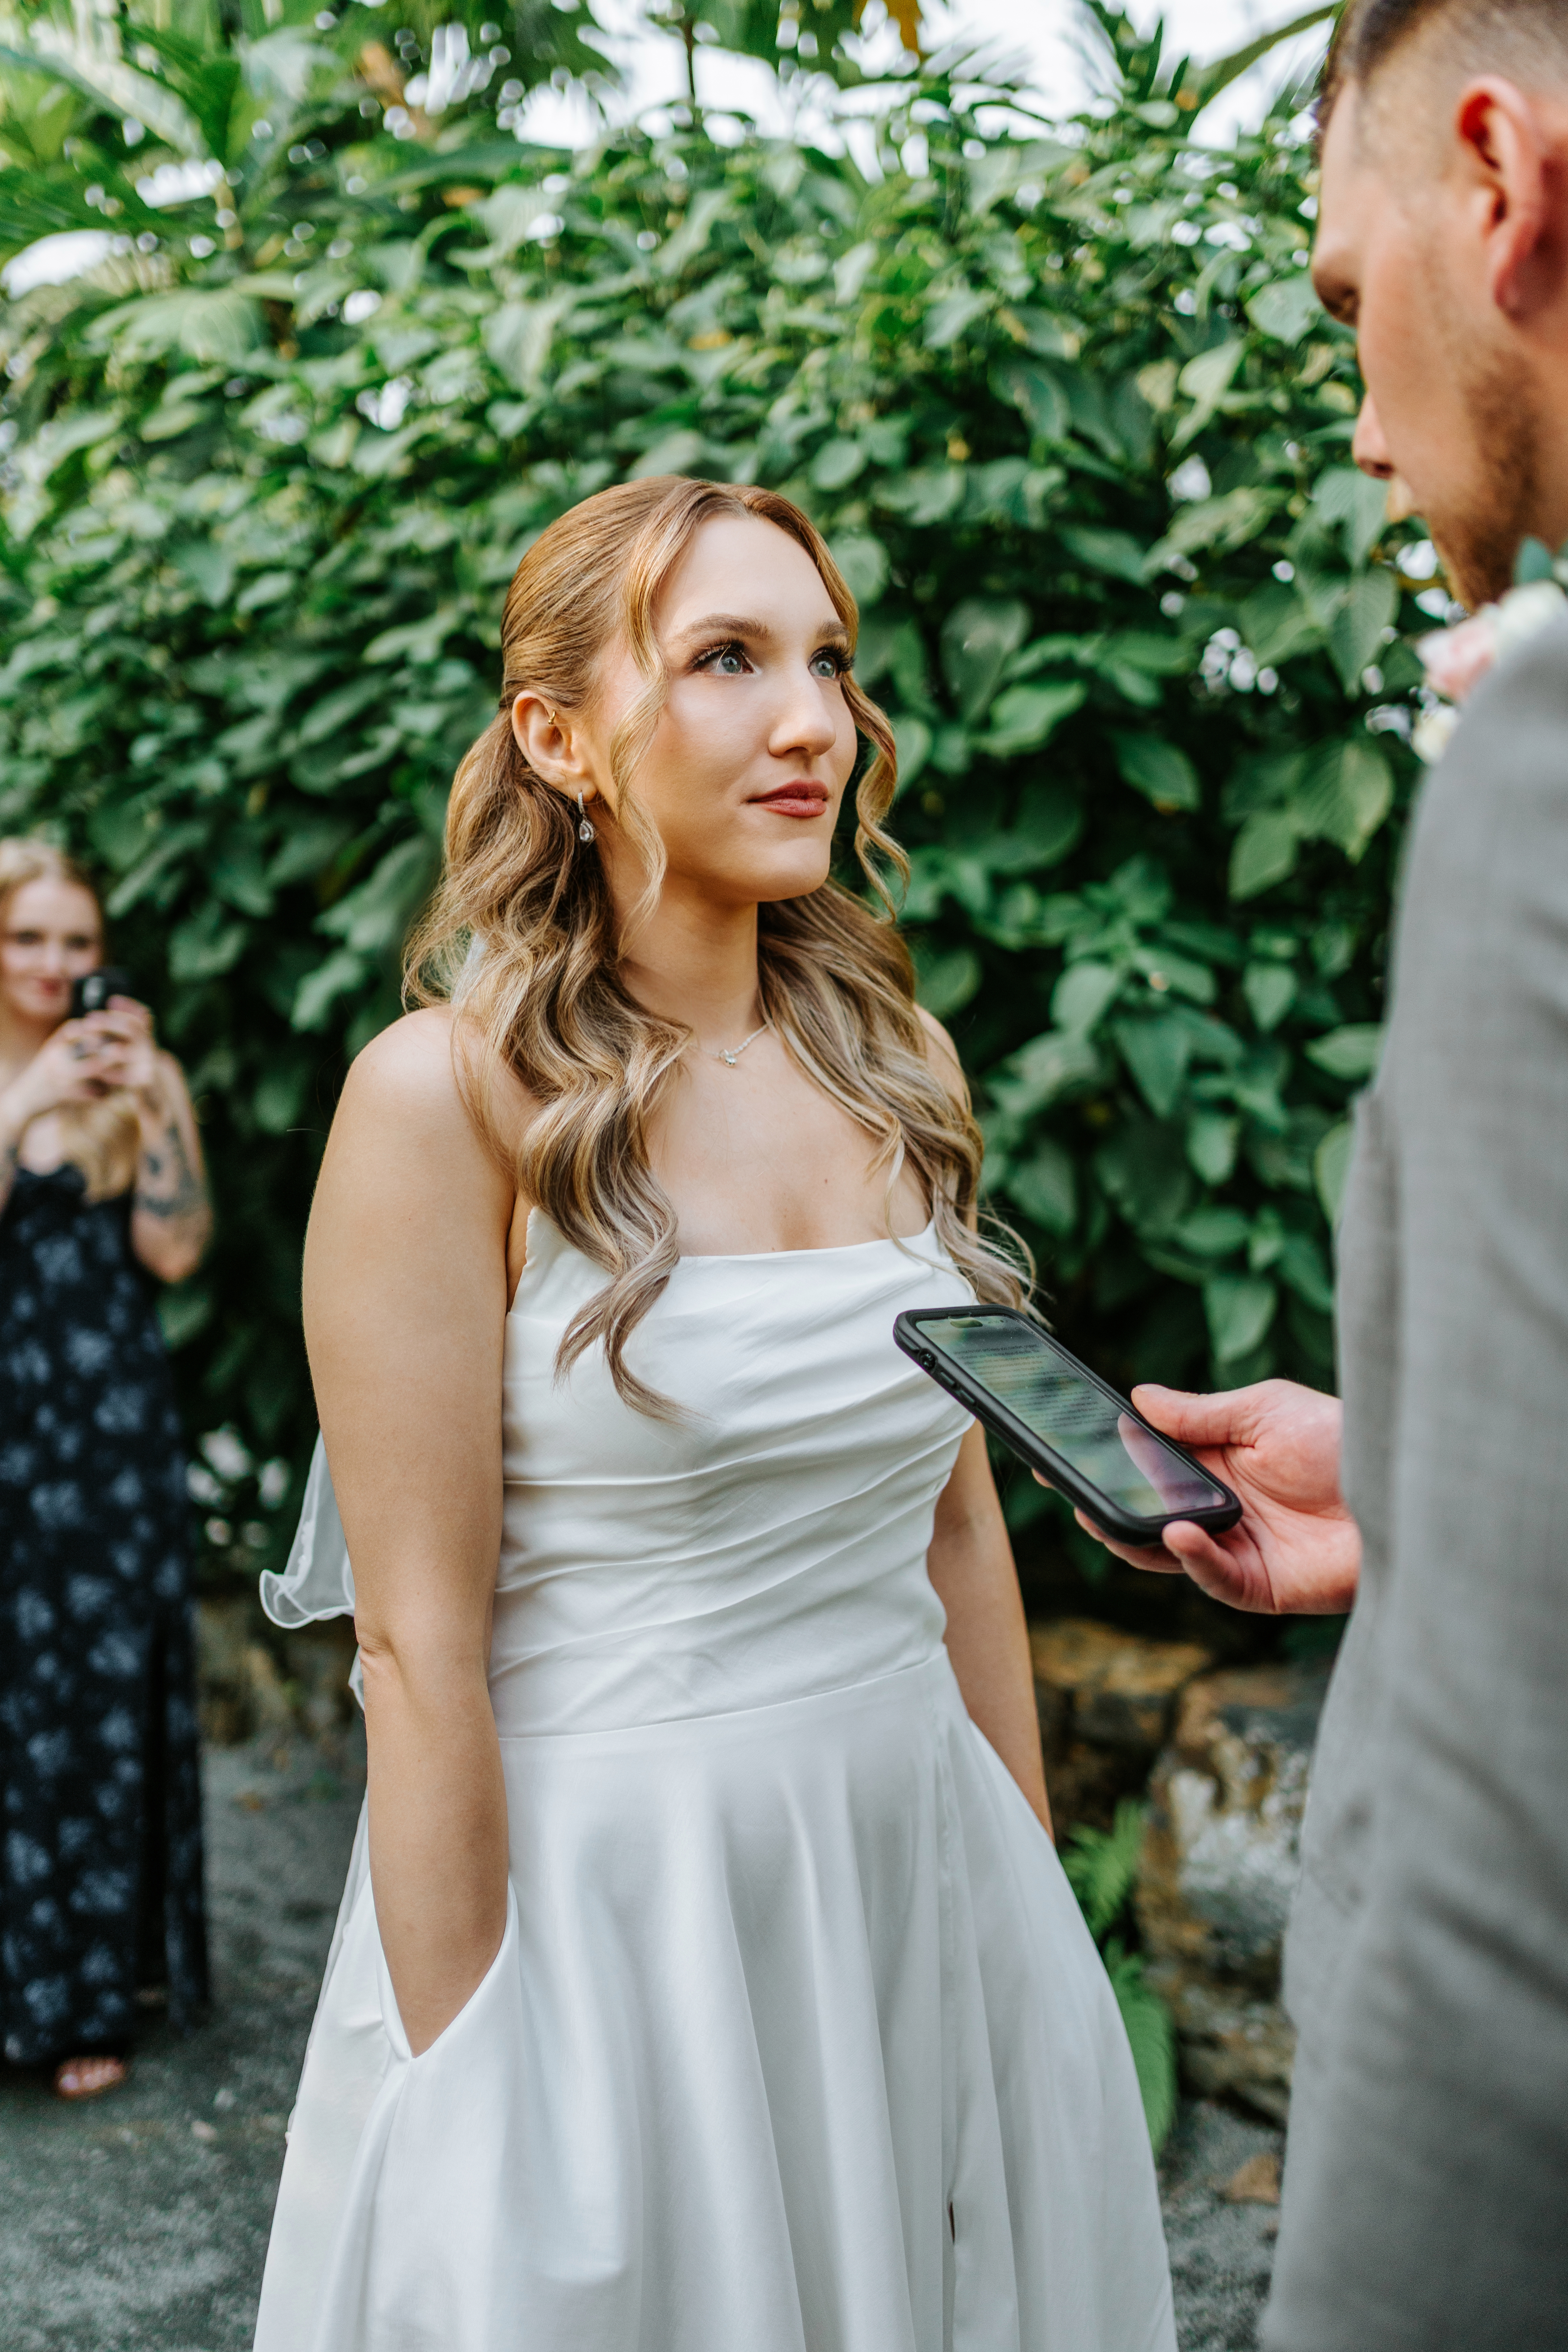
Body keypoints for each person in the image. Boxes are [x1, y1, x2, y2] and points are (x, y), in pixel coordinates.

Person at [251, 477, 1176, 2352]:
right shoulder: (445, 1104)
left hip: (916, 1866)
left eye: (828, 660)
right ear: (556, 736)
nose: (814, 719)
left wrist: (1031, 1947)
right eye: (727, 661)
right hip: (616, 1917)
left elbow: (952, 1522)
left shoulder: (888, 1060)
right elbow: (419, 1653)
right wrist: (468, 2069)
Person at [1062, 5, 1568, 2345]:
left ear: (1503, 178)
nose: (1364, 424)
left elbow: (1505, 1833)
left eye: (1352, 302)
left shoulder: (1544, 783)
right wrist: (1425, 1491)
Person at [0, 840, 212, 2100]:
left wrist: (155, 1102)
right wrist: (26, 1102)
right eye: (29, 939)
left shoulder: (143, 1079)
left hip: (107, 1434)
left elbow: (176, 1250)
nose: (56, 966)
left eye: (77, 943)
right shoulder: (17, 1086)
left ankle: (88, 1990)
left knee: (96, 1697)